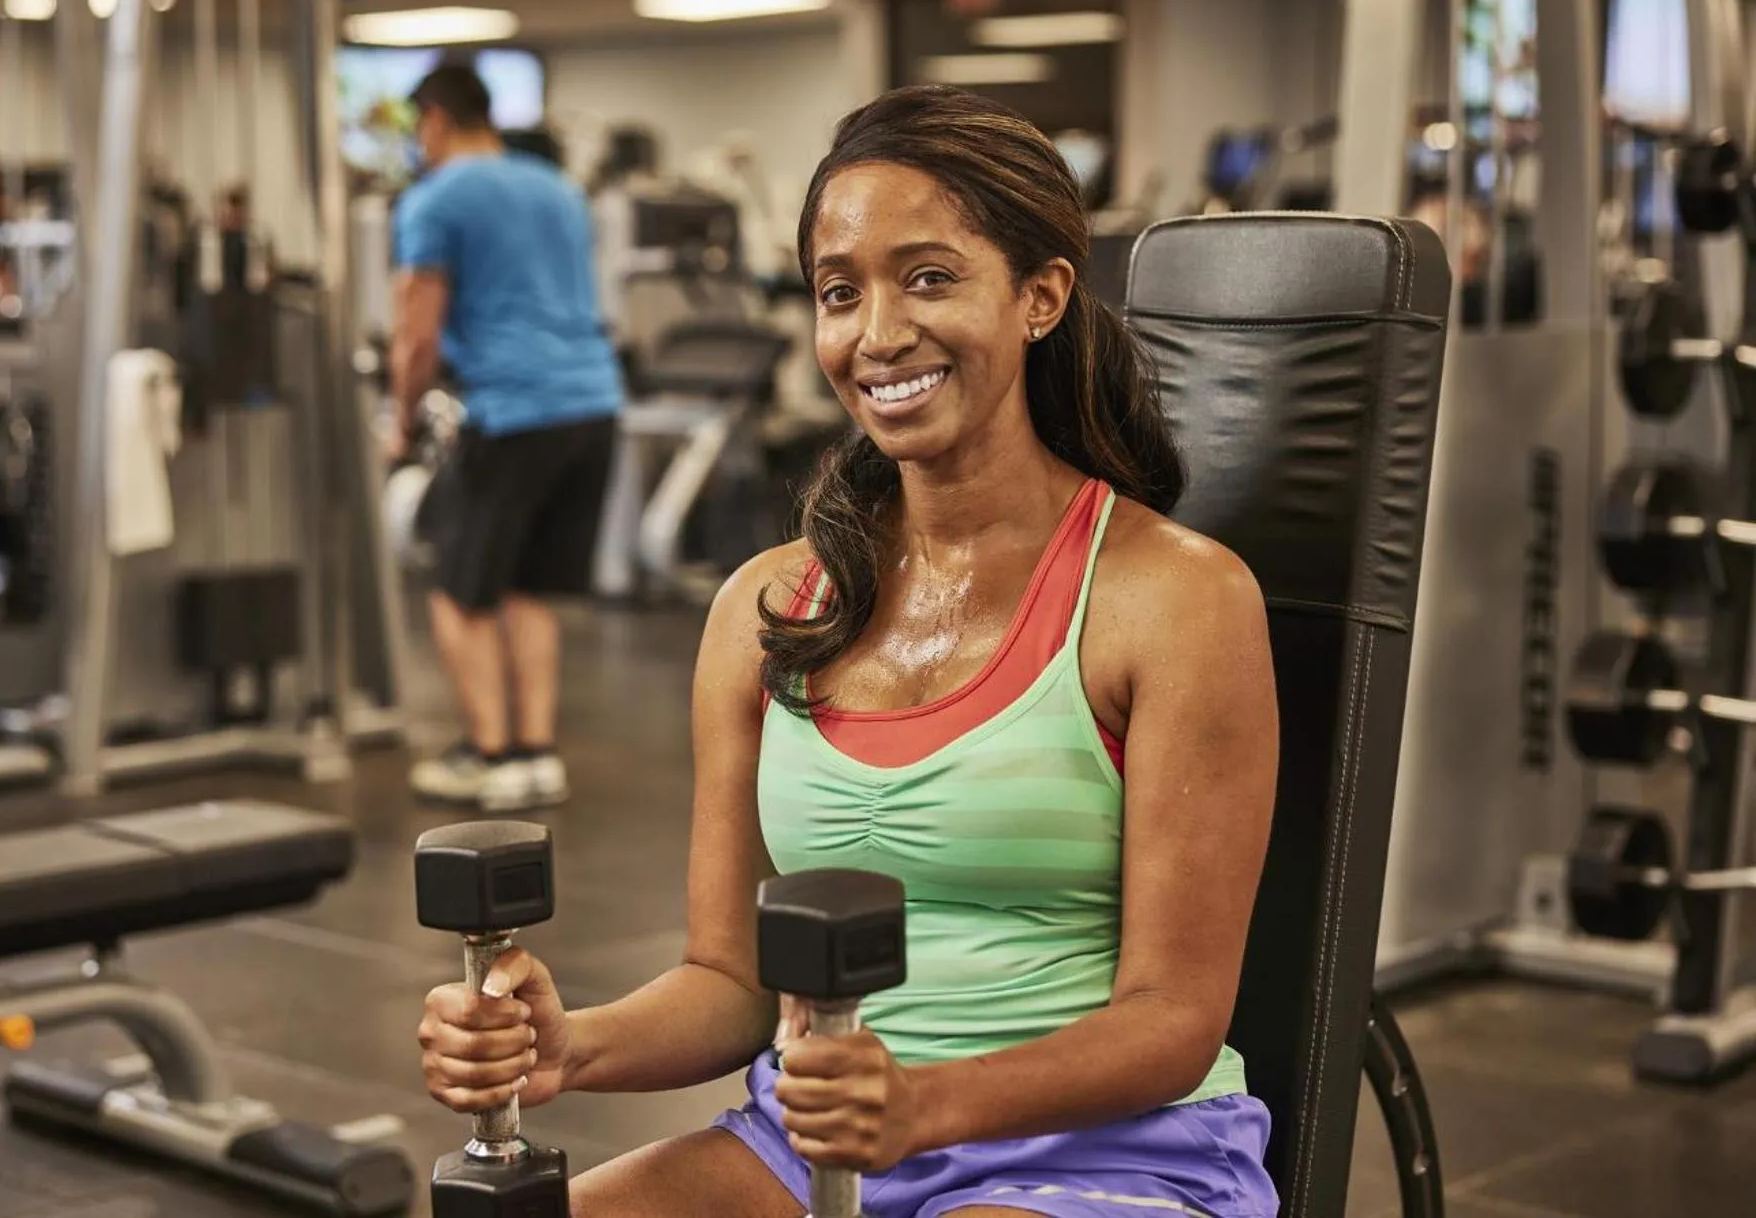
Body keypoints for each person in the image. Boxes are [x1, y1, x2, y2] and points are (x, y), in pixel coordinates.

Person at [416, 86, 1284, 1217]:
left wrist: (922, 1108)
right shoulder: (765, 609)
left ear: (1038, 296)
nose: (875, 336)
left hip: (1106, 1156)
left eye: (927, 278)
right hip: (815, 1148)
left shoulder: (1175, 601)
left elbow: (1172, 1020)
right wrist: (567, 1047)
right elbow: (728, 984)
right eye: (840, 292)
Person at [390, 62, 624, 812]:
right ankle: (536, 754)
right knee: (529, 589)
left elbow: (414, 338)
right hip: (593, 403)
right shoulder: (557, 188)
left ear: (433, 119)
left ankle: (487, 754)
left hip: (513, 408)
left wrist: (399, 424)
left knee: (459, 593)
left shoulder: (435, 199)